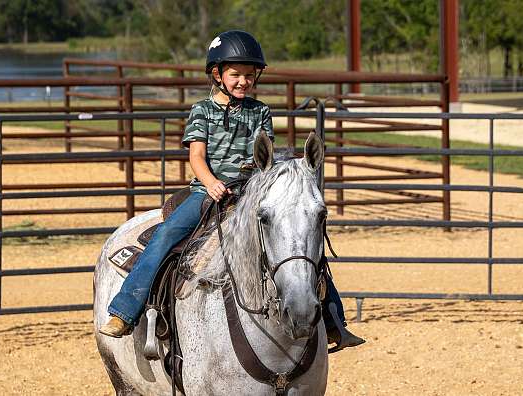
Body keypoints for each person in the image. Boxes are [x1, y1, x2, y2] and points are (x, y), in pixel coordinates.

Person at [99, 30, 364, 351]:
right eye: (235, 74)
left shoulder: (260, 111)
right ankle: (125, 310)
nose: (243, 81)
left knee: (303, 246)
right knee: (166, 235)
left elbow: (263, 156)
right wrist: (210, 182)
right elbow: (196, 155)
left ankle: (334, 321)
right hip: (207, 193)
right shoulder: (202, 111)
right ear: (217, 74)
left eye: (249, 76)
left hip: (250, 193)